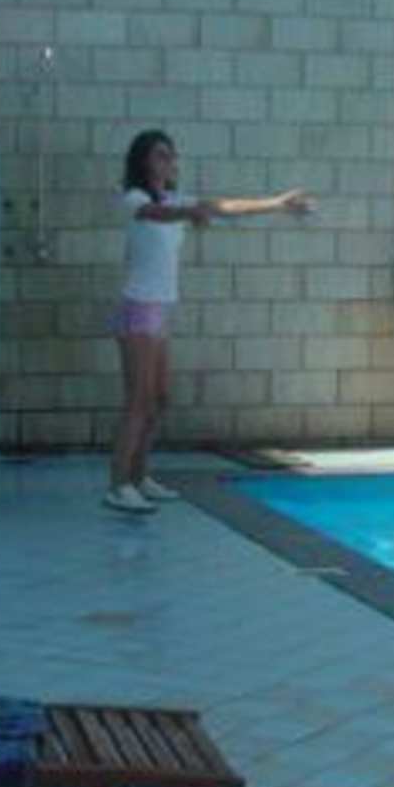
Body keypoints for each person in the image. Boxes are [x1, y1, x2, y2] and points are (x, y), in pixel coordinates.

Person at [104, 131, 312, 515]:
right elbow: (155, 215)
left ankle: (139, 476)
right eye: (161, 155)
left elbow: (224, 206)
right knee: (138, 400)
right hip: (138, 309)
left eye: (172, 156)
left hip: (160, 311)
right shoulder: (132, 198)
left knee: (158, 400)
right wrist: (191, 213)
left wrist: (276, 204)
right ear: (143, 161)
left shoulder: (175, 200)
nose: (170, 162)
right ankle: (118, 485)